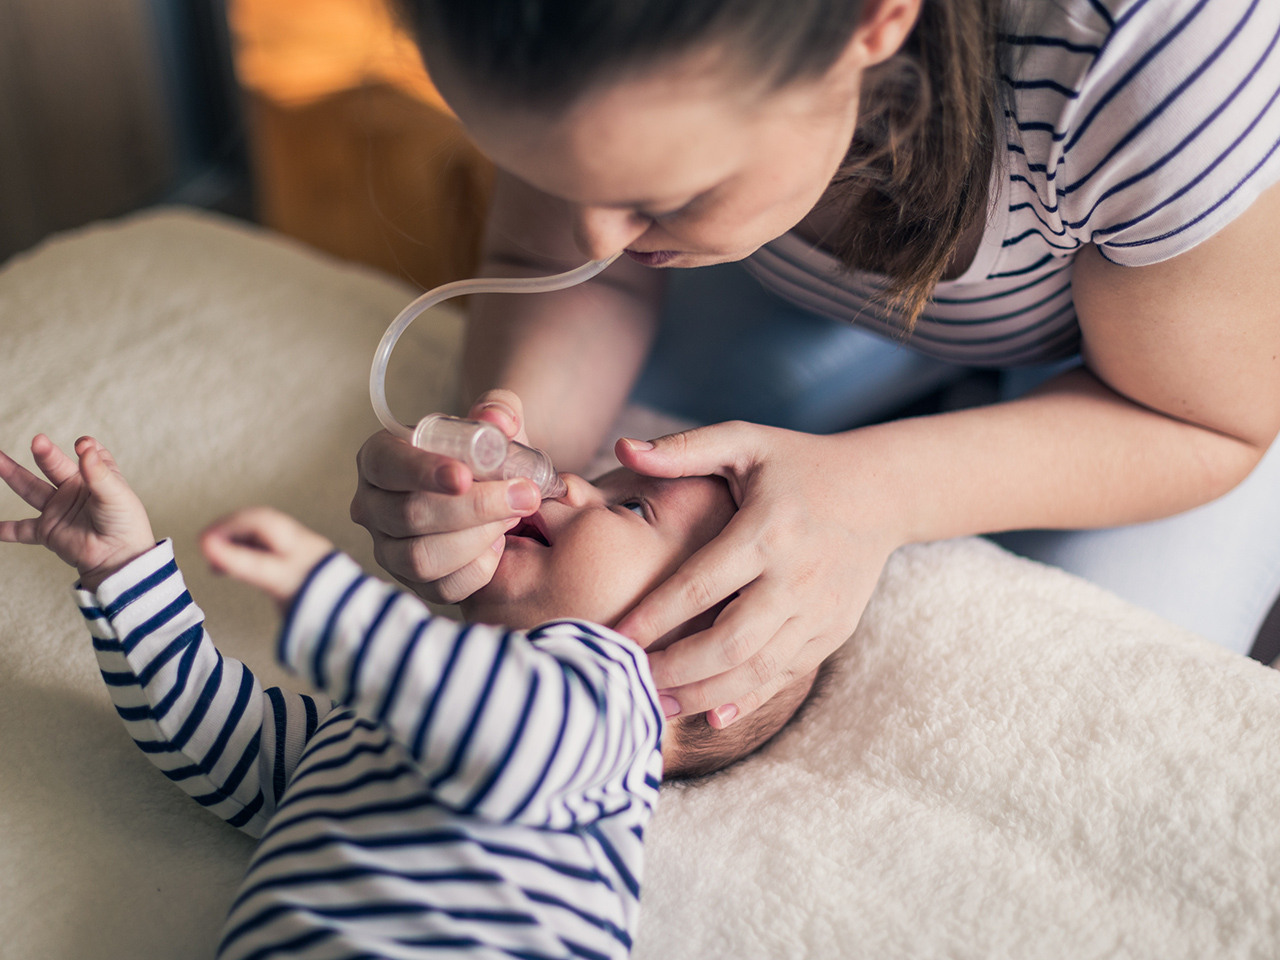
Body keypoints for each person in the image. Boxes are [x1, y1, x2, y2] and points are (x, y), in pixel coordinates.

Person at [350, 0, 1280, 731]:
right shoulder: (580, 41)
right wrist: (506, 471)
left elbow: (1203, 419)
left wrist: (880, 492)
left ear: (876, 20)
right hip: (810, 288)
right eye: (559, 177)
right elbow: (570, 270)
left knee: (1088, 687)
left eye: (661, 194)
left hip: (1181, 375)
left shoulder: (1148, 49)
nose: (593, 236)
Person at [0, 432, 824, 960]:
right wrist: (125, 572)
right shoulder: (384, 716)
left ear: (697, 650)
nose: (570, 483)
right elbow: (228, 748)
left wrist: (337, 607)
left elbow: (498, 729)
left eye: (630, 507)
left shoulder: (612, 706)